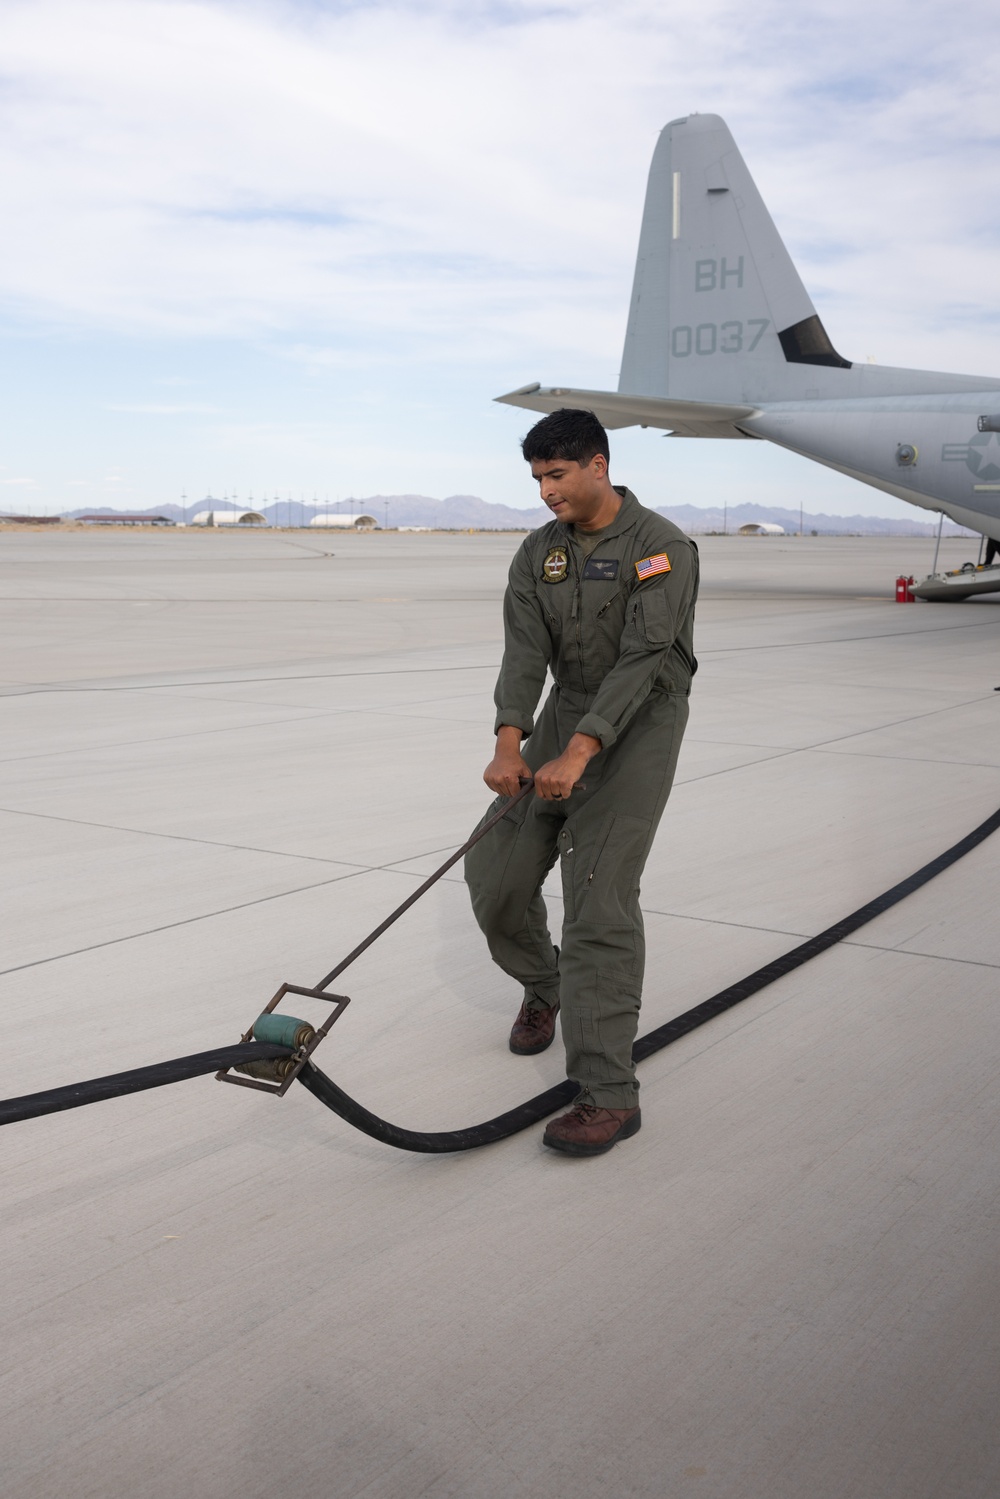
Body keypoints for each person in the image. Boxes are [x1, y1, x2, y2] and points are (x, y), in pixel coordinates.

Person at [464, 408, 699, 1156]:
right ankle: (546, 984)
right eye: (536, 478)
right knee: (495, 874)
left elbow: (644, 656)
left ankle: (608, 1093)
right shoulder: (539, 554)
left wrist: (583, 750)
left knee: (596, 897)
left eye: (556, 475)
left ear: (598, 464)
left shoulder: (661, 547)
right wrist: (512, 741)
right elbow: (524, 652)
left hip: (641, 719)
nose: (545, 492)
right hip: (566, 712)